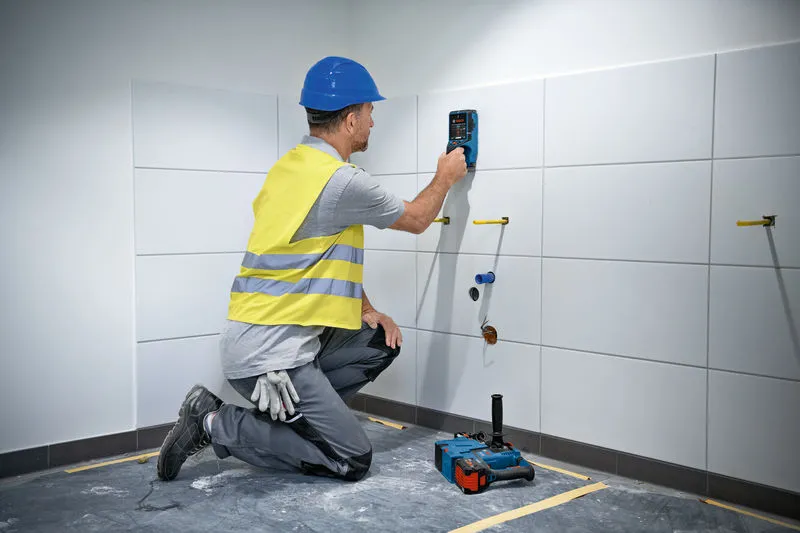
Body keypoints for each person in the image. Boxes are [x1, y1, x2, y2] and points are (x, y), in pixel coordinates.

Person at [157, 56, 467, 482]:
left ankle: (297, 419)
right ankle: (214, 422)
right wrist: (446, 175)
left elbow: (312, 256)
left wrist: (368, 308)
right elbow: (416, 219)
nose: (374, 123)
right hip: (269, 356)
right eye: (371, 113)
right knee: (352, 458)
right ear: (351, 119)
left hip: (257, 339)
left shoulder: (290, 169)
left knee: (379, 342)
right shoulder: (341, 180)